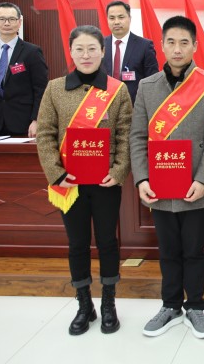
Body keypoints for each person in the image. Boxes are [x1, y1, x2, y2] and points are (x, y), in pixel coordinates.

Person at [130, 16, 204, 339]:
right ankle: (170, 305)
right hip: (159, 185)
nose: (177, 49)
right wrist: (141, 178)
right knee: (168, 250)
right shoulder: (147, 86)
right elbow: (137, 136)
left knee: (194, 250)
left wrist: (203, 179)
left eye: (184, 43)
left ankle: (195, 306)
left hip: (195, 185)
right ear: (161, 45)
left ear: (195, 46)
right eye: (171, 42)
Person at [36, 25, 133, 336]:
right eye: (80, 49)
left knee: (107, 242)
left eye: (92, 49)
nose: (86, 55)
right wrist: (56, 173)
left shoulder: (117, 90)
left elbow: (126, 135)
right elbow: (45, 135)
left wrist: (118, 171)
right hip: (70, 183)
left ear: (103, 52)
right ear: (71, 52)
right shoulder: (55, 89)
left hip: (105, 183)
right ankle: (83, 304)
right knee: (77, 243)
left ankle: (108, 304)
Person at [0, 2, 48, 137]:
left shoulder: (32, 52)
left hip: (23, 123)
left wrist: (36, 120)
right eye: (2, 19)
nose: (7, 23)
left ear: (19, 22)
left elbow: (41, 90)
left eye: (12, 19)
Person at [102, 0, 159, 102]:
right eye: (112, 18)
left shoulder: (145, 46)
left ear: (129, 18)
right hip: (104, 103)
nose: (116, 22)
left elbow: (152, 80)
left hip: (134, 105)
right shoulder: (100, 45)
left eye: (121, 17)